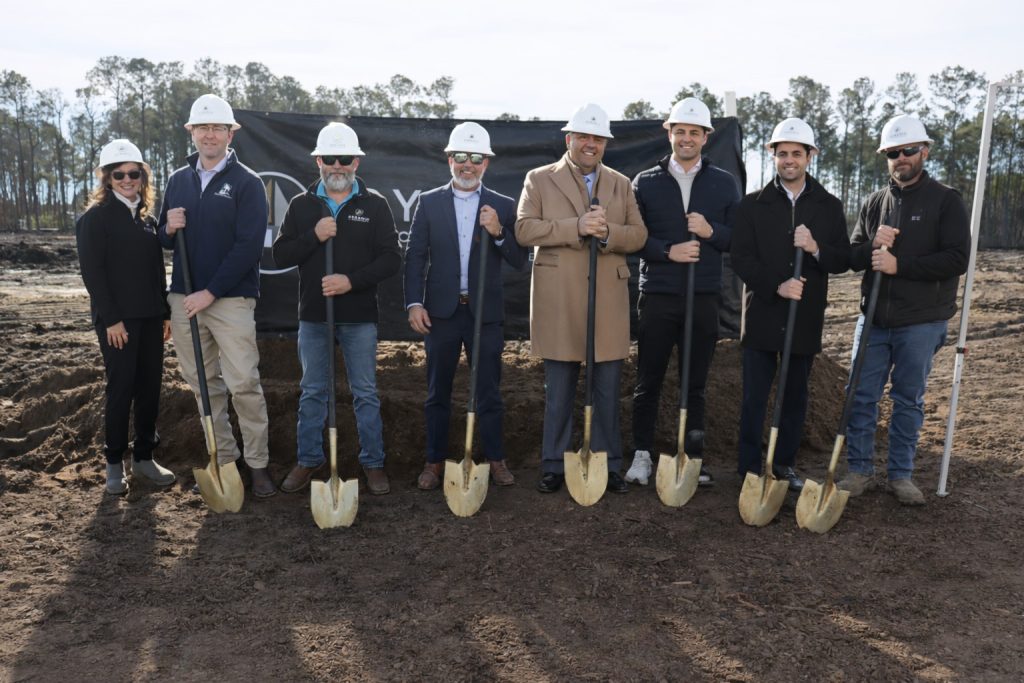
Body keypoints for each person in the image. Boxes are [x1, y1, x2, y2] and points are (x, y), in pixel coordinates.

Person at [515, 103, 647, 494]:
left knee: (607, 388)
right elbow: (524, 229)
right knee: (559, 389)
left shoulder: (621, 184)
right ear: (569, 139)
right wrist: (577, 226)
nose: (591, 144)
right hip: (559, 298)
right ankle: (554, 464)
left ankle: (608, 464)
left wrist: (608, 234)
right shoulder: (539, 179)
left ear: (605, 143)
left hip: (607, 298)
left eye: (598, 138)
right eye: (584, 137)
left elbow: (639, 235)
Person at [838, 113, 970, 505]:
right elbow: (852, 257)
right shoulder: (873, 203)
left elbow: (957, 259)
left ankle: (900, 475)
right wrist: (871, 247)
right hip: (874, 319)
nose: (901, 159)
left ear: (924, 151)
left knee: (907, 400)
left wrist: (901, 265)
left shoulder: (946, 200)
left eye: (908, 150)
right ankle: (859, 470)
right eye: (893, 153)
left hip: (921, 322)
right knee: (859, 396)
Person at [273, 122, 401, 496]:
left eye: (345, 159)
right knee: (313, 391)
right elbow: (281, 254)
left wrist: (351, 281)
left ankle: (373, 463)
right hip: (315, 317)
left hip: (359, 318)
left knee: (365, 393)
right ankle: (309, 458)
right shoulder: (301, 206)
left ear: (356, 162)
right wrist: (313, 236)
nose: (338, 166)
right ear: (319, 161)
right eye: (331, 158)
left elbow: (391, 259)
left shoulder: (375, 205)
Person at [158, 94, 276, 498]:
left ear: (230, 134)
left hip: (230, 299)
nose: (209, 135)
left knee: (243, 383)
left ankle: (258, 465)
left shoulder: (247, 183)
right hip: (184, 299)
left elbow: (248, 247)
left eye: (217, 128)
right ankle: (224, 461)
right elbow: (162, 239)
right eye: (202, 128)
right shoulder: (178, 180)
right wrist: (168, 227)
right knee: (203, 385)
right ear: (191, 132)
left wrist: (210, 292)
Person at [404, 122, 528, 490]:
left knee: (488, 391)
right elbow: (415, 256)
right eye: (461, 157)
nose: (467, 164)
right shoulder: (429, 202)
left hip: (484, 315)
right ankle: (434, 461)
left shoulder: (503, 206)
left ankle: (496, 458)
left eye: (475, 158)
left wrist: (499, 232)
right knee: (437, 392)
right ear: (450, 159)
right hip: (441, 314)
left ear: (486, 163)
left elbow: (520, 260)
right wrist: (414, 303)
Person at [731, 118, 850, 491]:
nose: (789, 160)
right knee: (754, 397)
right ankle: (749, 468)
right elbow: (741, 257)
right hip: (763, 314)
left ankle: (783, 465)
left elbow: (842, 259)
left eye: (796, 153)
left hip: (804, 318)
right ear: (773, 155)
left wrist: (815, 248)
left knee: (795, 396)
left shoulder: (829, 206)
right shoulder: (752, 205)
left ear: (810, 156)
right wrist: (776, 286)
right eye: (782, 153)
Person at [627, 98, 740, 487]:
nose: (686, 138)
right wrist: (666, 251)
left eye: (694, 132)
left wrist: (711, 232)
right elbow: (634, 238)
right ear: (669, 133)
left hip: (703, 297)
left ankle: (692, 458)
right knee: (648, 379)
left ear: (706, 137)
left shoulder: (723, 182)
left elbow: (738, 239)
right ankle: (642, 455)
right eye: (680, 131)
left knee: (695, 383)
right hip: (658, 295)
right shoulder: (645, 182)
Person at [77, 139, 174, 495]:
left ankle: (144, 458)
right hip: (118, 322)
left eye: (134, 173)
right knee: (121, 389)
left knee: (150, 387)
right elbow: (93, 274)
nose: (127, 179)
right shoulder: (95, 219)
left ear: (142, 176)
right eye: (119, 174)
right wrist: (112, 320)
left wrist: (165, 313)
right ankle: (114, 463)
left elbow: (156, 271)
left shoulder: (147, 220)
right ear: (107, 178)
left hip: (151, 318)